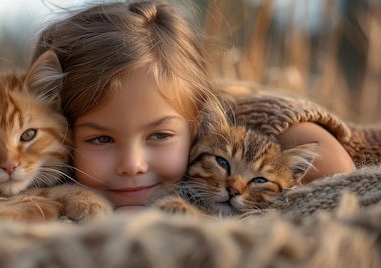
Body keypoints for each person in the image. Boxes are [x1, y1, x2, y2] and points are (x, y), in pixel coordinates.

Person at [31, 0, 357, 211]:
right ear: (58, 134)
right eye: (100, 139)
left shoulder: (217, 129)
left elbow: (340, 177)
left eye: (159, 135)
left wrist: (274, 115)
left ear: (196, 125)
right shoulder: (22, 156)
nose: (132, 165)